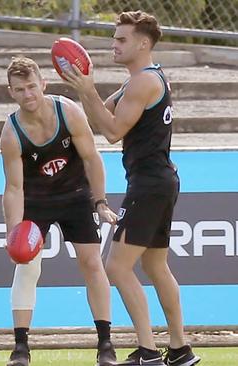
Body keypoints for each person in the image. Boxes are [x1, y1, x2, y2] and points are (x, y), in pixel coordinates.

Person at [61, 10, 201, 366]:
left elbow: (111, 132)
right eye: (114, 37)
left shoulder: (143, 83)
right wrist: (84, 92)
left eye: (121, 39)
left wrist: (88, 91)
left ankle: (149, 351)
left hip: (150, 183)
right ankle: (180, 349)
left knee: (117, 267)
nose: (114, 44)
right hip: (158, 181)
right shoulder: (135, 81)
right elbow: (101, 116)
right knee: (156, 268)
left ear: (142, 43)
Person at [1, 56, 118, 366]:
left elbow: (92, 158)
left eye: (31, 87)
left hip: (75, 193)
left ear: (43, 84)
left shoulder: (68, 111)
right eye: (19, 90)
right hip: (36, 199)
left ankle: (106, 344)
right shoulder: (11, 134)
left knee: (92, 263)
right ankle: (20, 348)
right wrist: (13, 233)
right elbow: (14, 188)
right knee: (27, 267)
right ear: (10, 92)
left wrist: (101, 201)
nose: (27, 95)